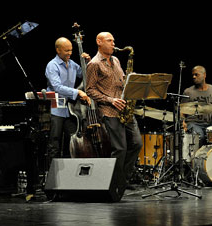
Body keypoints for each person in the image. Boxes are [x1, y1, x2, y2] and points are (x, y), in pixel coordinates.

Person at [86, 32, 143, 192]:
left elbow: (122, 81)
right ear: (99, 42)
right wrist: (111, 100)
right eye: (109, 40)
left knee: (137, 143)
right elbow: (89, 90)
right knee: (120, 149)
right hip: (109, 111)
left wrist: (132, 82)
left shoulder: (116, 60)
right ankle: (113, 184)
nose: (113, 43)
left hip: (125, 109)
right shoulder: (94, 64)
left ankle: (122, 180)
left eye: (113, 40)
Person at [45, 37, 91, 159]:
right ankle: (52, 173)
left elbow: (85, 75)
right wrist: (78, 92)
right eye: (66, 50)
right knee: (55, 142)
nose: (70, 53)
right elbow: (57, 87)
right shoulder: (52, 65)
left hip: (71, 110)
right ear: (58, 50)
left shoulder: (72, 64)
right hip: (56, 109)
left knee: (72, 140)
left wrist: (87, 62)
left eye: (71, 50)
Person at [182, 65, 212, 146]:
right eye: (193, 75)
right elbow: (181, 110)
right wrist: (183, 122)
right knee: (200, 136)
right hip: (193, 123)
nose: (193, 77)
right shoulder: (188, 92)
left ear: (204, 75)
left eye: (196, 74)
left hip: (210, 124)